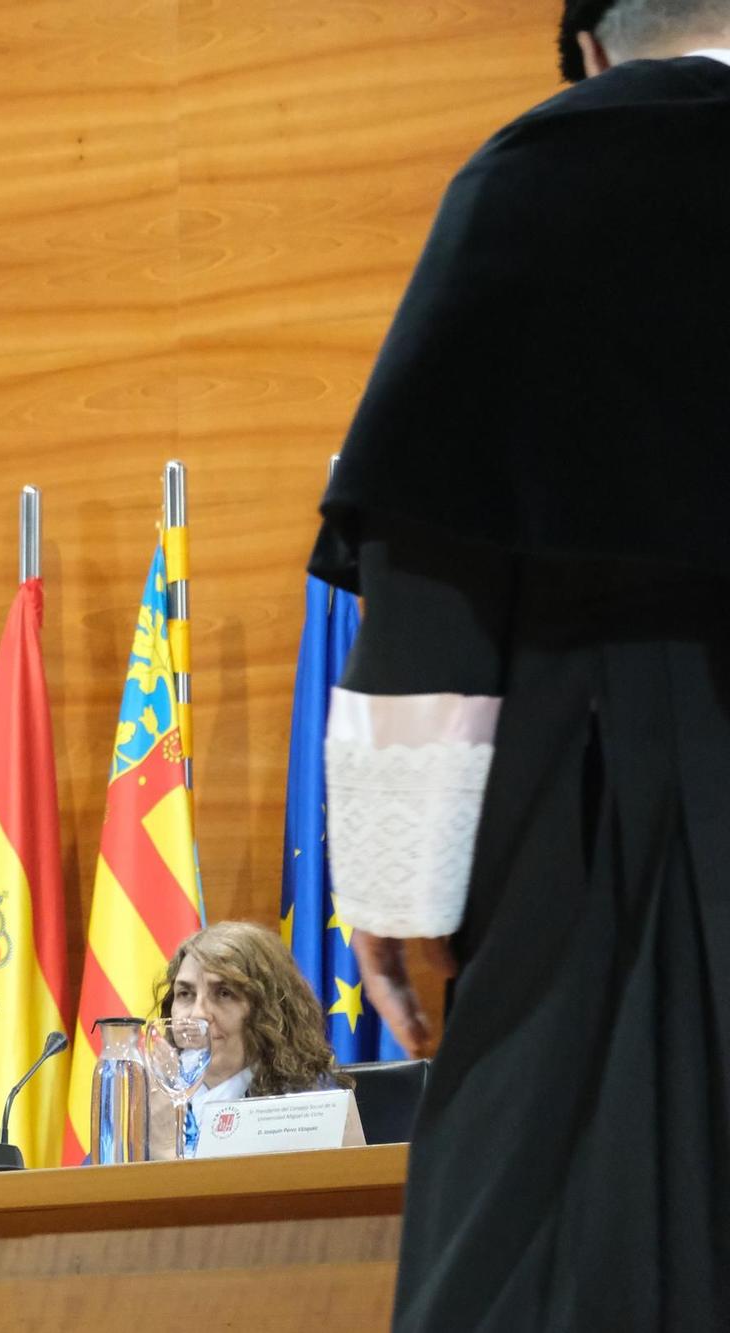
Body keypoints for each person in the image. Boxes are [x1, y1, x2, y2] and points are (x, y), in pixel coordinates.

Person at [315, 4, 730, 1326]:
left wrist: (388, 888)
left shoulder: (528, 186)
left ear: (594, 47)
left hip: (591, 799)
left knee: (550, 1240)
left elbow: (432, 569)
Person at [144, 922, 361, 1160]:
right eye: (185, 994)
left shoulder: (308, 1104)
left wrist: (164, 1148)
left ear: (269, 1010)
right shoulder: (143, 1094)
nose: (197, 1014)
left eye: (224, 993)